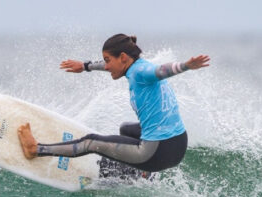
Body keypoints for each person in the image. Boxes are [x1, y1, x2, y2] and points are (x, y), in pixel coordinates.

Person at [17, 33, 210, 173]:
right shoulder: (138, 65)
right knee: (126, 129)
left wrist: (186, 66)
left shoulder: (141, 73)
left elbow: (162, 71)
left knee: (91, 142)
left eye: (108, 60)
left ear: (123, 58)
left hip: (156, 153)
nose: (107, 66)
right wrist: (84, 66)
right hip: (177, 144)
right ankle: (141, 173)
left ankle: (36, 149)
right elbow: (114, 65)